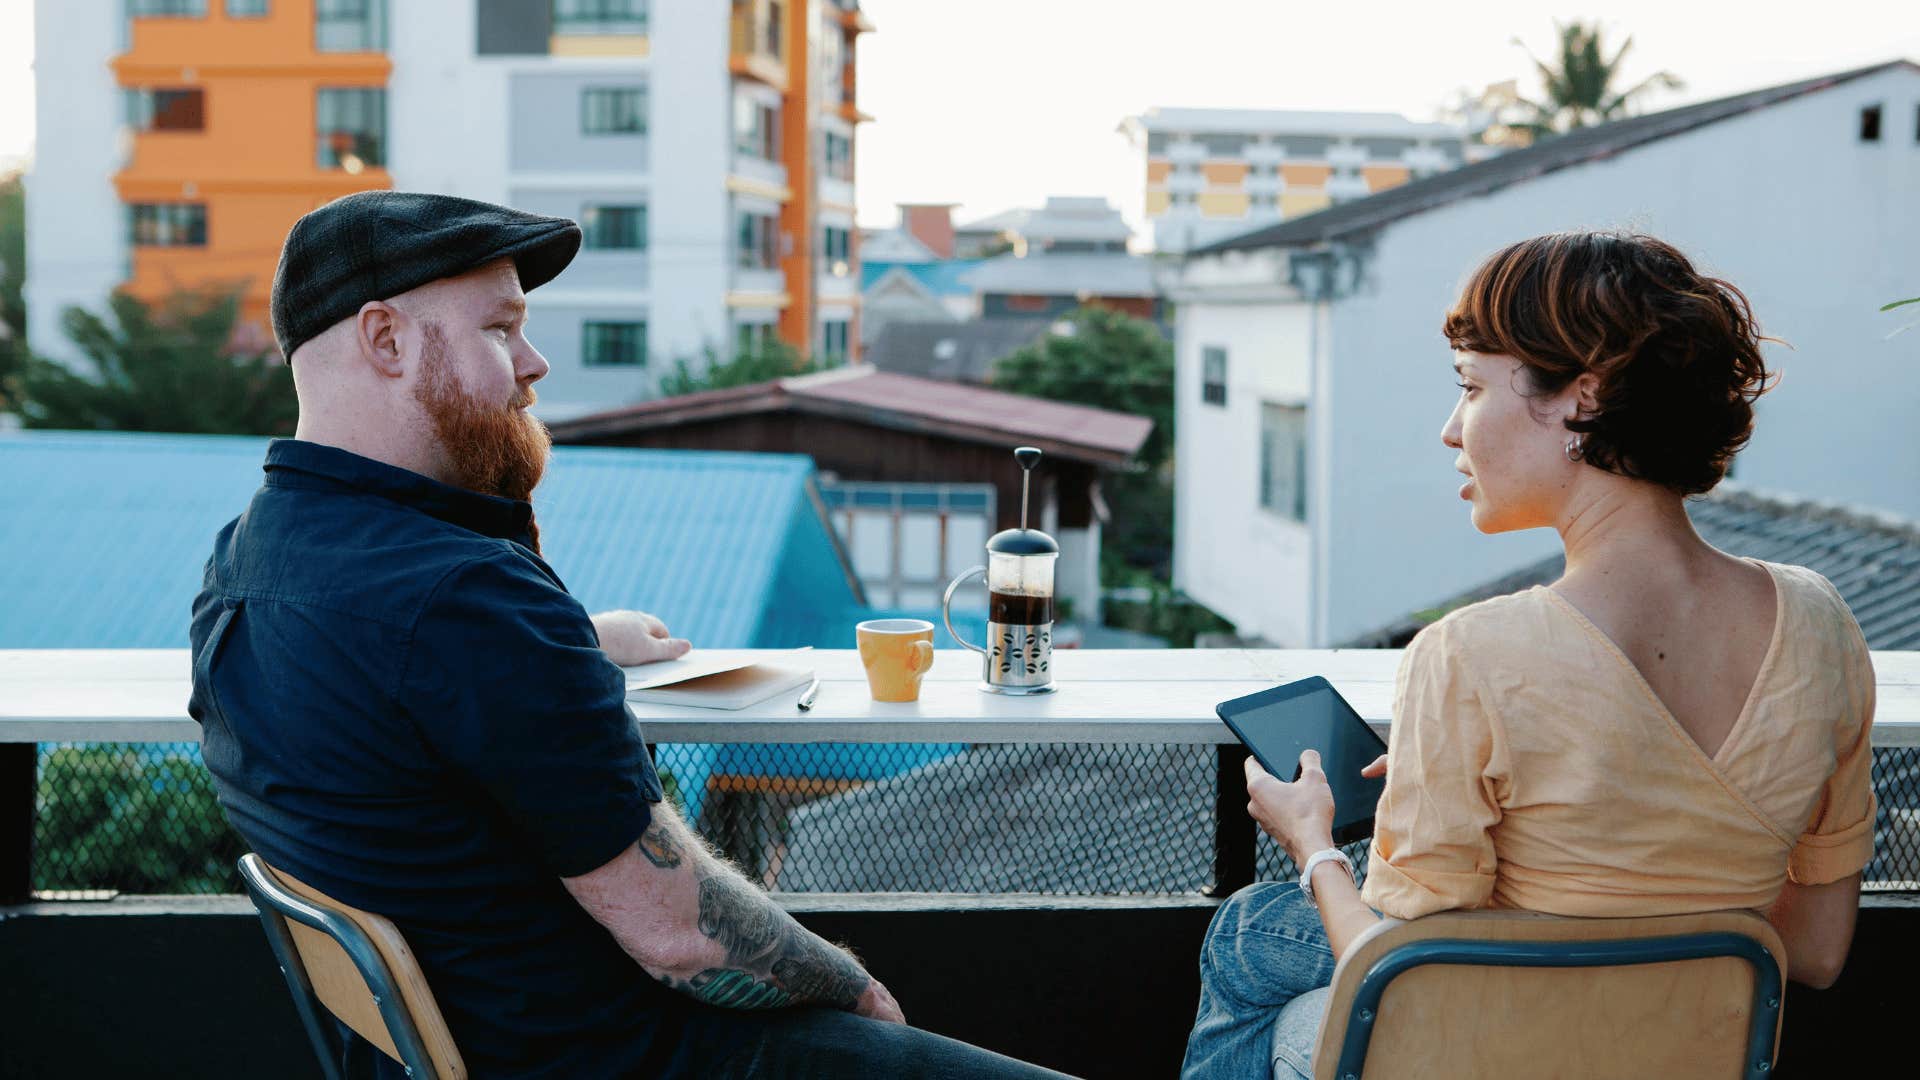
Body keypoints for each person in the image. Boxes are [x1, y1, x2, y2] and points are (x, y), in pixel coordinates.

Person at [189, 191, 1070, 1079]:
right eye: (500, 330)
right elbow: (680, 934)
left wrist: (575, 639)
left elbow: (403, 681)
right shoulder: (468, 602)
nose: (533, 364)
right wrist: (852, 989)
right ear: (385, 340)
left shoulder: (248, 562)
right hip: (631, 1057)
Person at [1181, 231, 1877, 1079]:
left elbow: (1395, 970)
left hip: (1489, 1054)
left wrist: (1312, 839)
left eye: (1470, 387)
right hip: (1687, 1052)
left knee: (1258, 948)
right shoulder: (1822, 623)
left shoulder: (1472, 654)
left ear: (1584, 400)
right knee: (1257, 933)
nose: (1449, 430)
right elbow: (1814, 951)